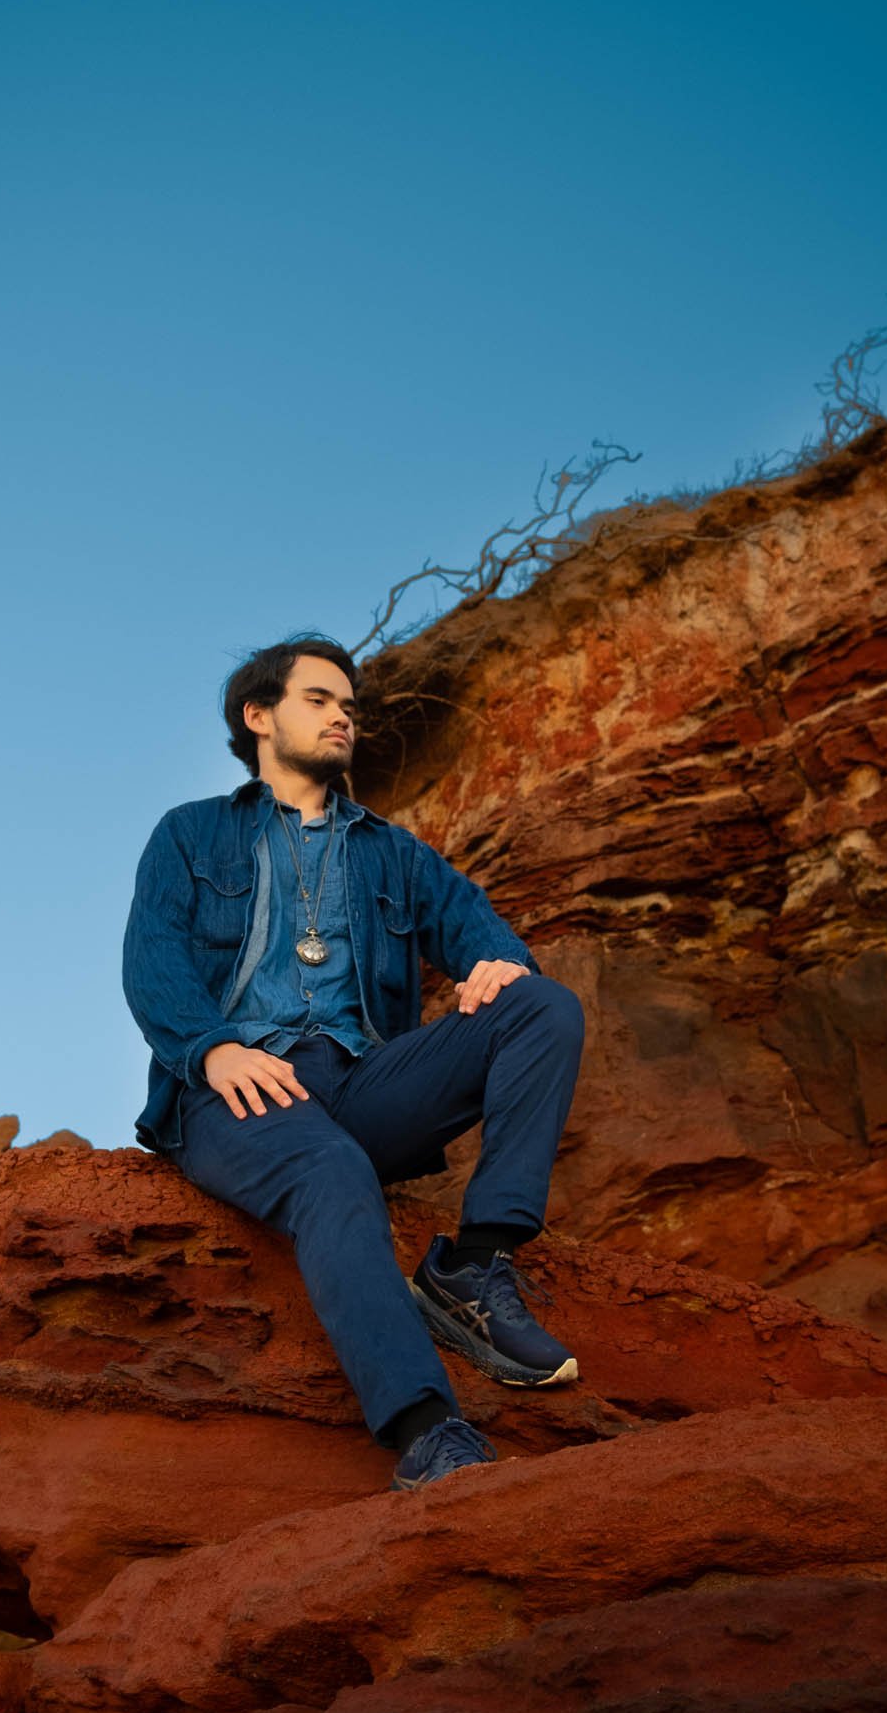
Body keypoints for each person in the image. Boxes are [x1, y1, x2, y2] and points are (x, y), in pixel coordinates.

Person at [121, 634, 585, 1492]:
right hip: (233, 1091)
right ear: (258, 717)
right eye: (318, 699)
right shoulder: (190, 835)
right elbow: (153, 964)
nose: (342, 715)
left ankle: (471, 1267)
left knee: (542, 1004)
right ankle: (428, 1431)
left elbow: (471, 922)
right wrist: (212, 1048)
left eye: (349, 705)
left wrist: (496, 959)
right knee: (331, 1171)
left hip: (360, 1080)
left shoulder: (391, 852)